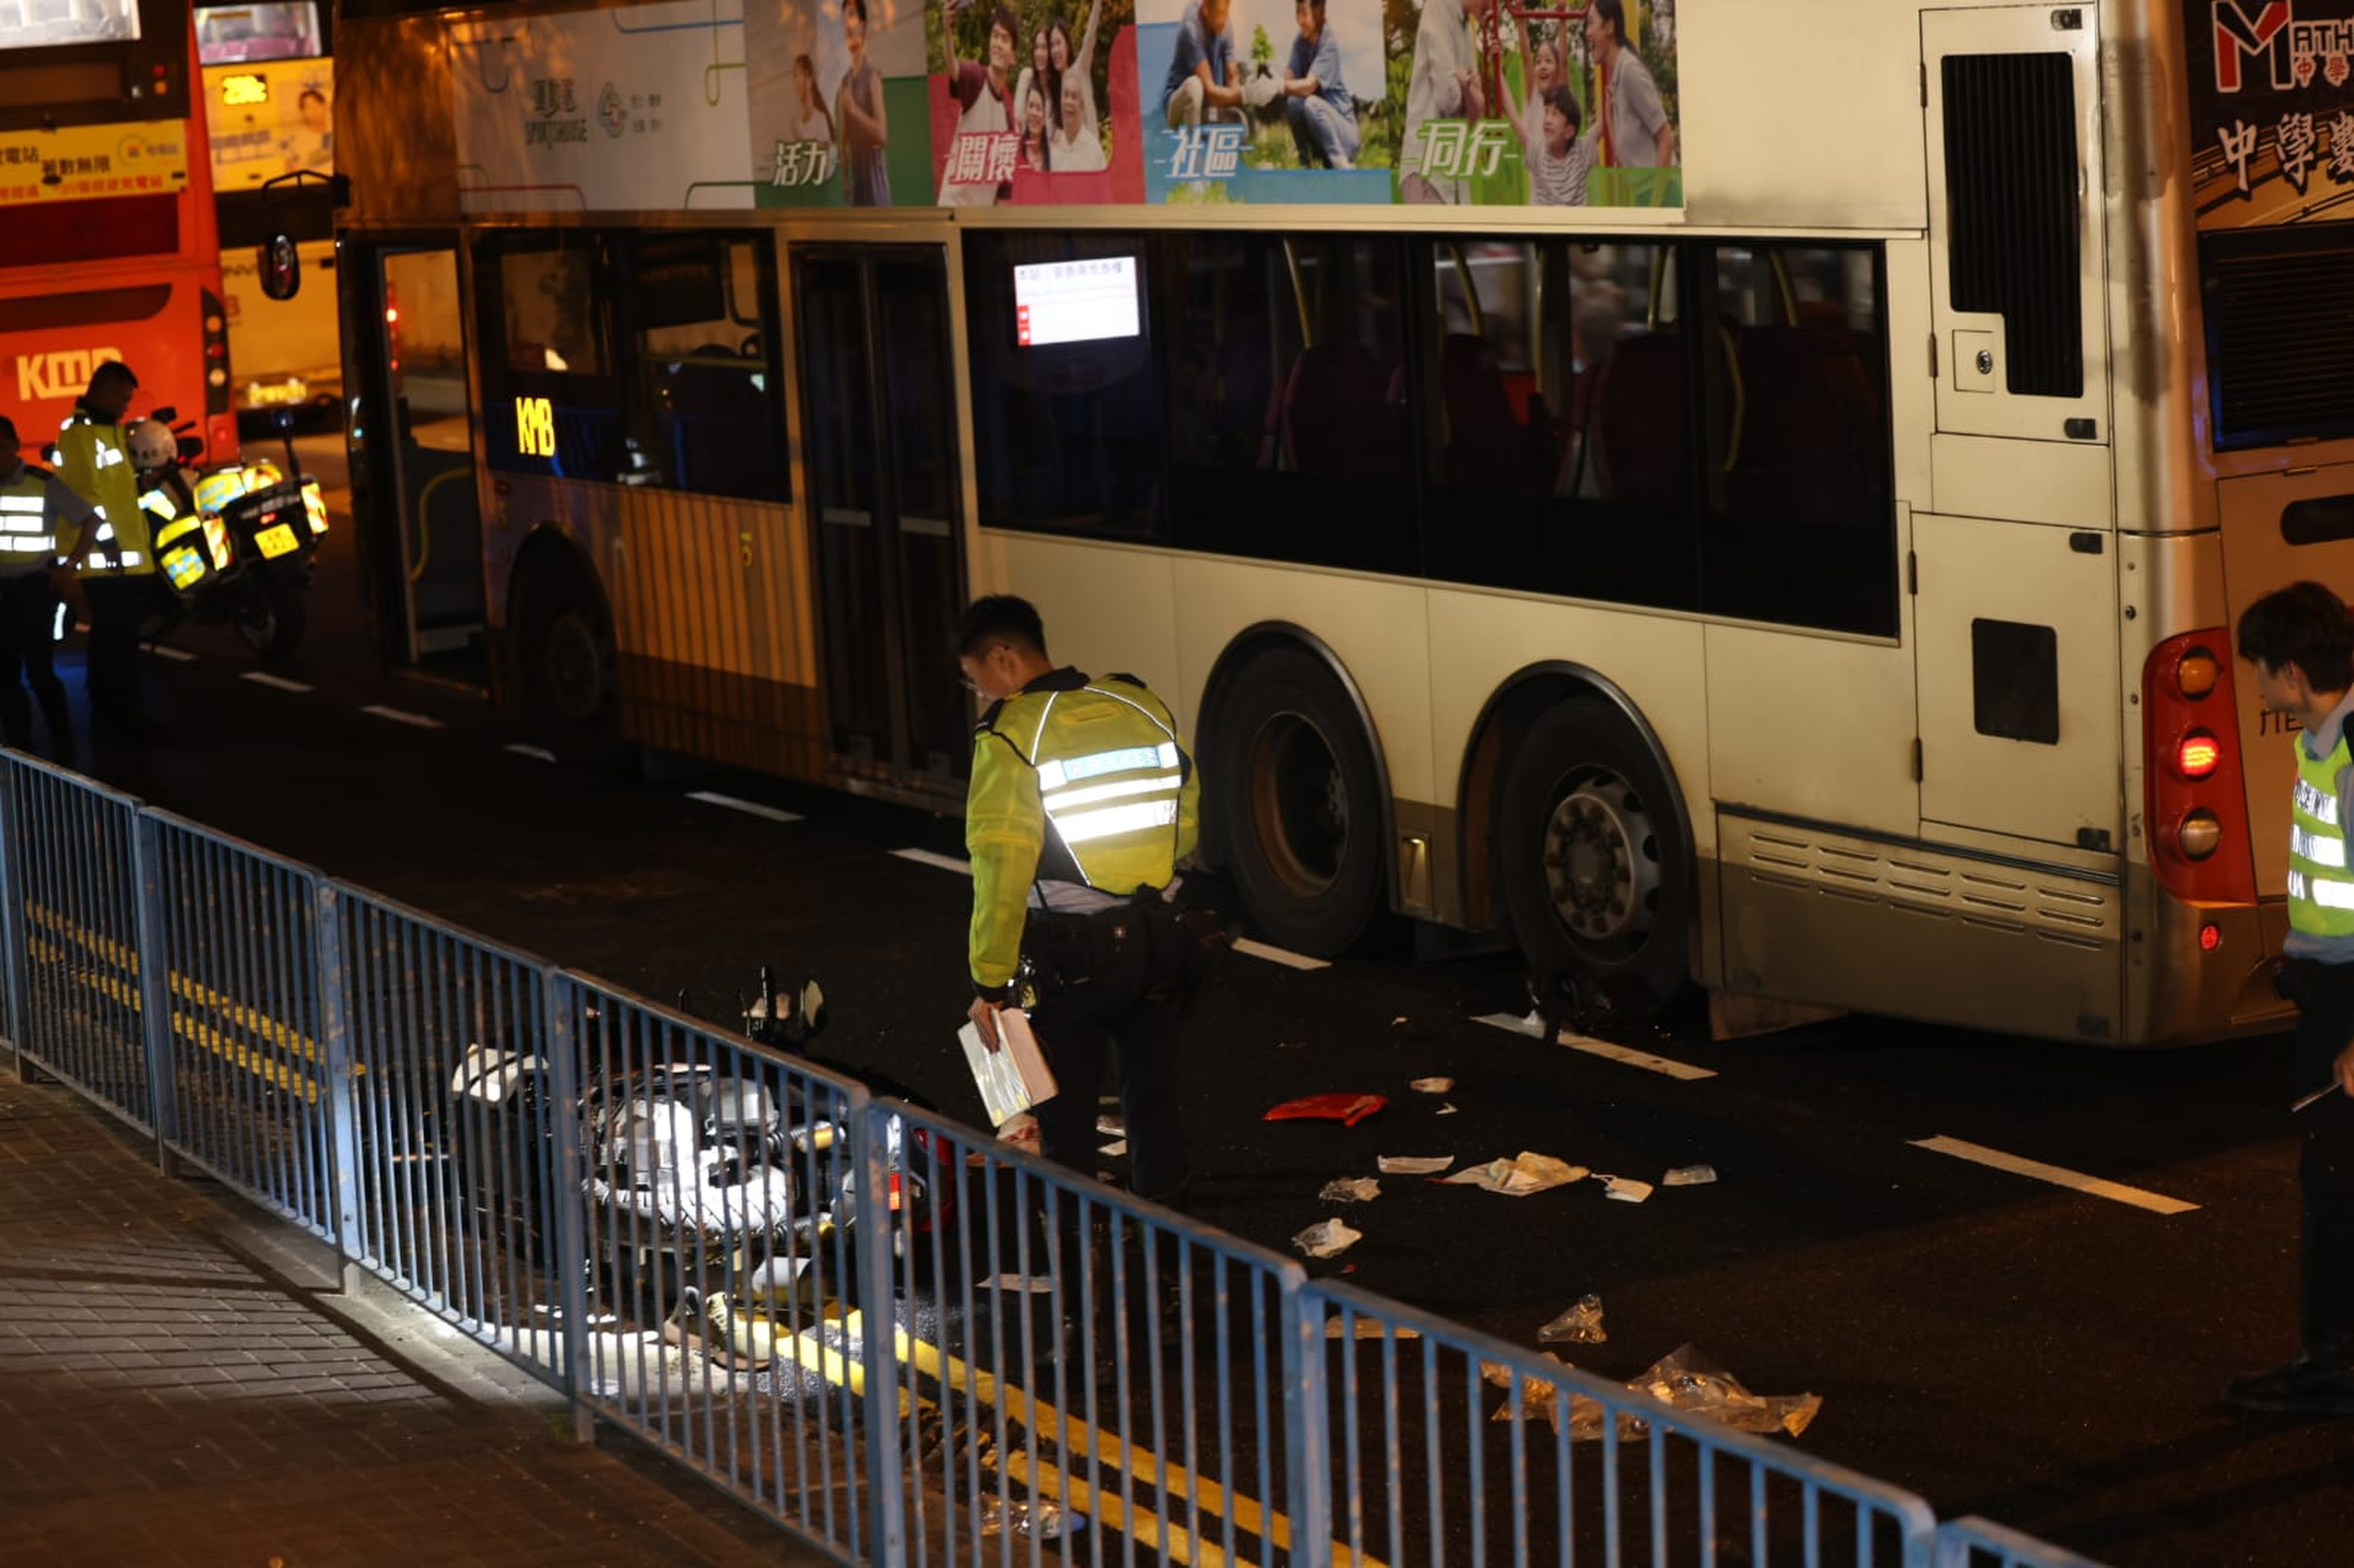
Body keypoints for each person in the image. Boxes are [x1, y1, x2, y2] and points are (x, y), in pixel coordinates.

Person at [958, 595, 1202, 1205]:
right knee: (1153, 1102)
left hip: (1072, 960)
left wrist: (990, 980)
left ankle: (1078, 1261)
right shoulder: (1138, 703)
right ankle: (1166, 1244)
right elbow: (1188, 820)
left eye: (977, 679)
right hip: (1158, 942)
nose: (982, 694)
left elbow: (1000, 868)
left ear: (1004, 658)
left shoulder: (1010, 736)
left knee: (1064, 1122)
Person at [2230, 581, 2354, 1416]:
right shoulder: (2327, 741)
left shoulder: (2350, 756)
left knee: (2336, 1185)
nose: (2257, 688)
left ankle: (2332, 1368)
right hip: (2330, 987)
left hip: (2349, 1001)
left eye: (2261, 673)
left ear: (2295, 674)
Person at [56, 361, 154, 738]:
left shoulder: (104, 429)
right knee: (115, 644)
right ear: (107, 389)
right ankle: (117, 718)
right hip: (104, 562)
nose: (126, 407)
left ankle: (119, 715)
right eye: (124, 398)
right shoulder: (83, 434)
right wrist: (110, 543)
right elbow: (87, 500)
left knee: (119, 642)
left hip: (119, 562)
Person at [0, 413, 103, 759]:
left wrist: (69, 567)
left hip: (33, 592)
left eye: (1, 447)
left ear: (15, 446)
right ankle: (20, 752)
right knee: (5, 678)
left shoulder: (42, 482)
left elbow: (91, 520)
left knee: (41, 673)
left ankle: (63, 746)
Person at [1400, 0, 1487, 202]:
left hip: (1453, 170)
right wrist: (1469, 91)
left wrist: (1464, 85)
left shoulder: (1467, 28)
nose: (1494, 7)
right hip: (1426, 168)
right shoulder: (1439, 6)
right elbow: (1448, 100)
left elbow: (1476, 115)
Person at [939, 2, 1020, 205]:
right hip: (952, 211)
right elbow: (953, 67)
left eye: (1005, 39)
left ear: (1014, 57)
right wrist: (947, 29)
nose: (998, 44)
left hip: (979, 227)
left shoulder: (1008, 123)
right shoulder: (976, 78)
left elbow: (1002, 194)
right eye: (995, 36)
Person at [1583, 0, 1675, 169]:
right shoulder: (1617, 79)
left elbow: (1667, 138)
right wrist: (1610, 117)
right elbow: (1625, 158)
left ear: (1610, 27)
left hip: (1660, 191)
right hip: (1642, 193)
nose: (1587, 33)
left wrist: (1656, 197)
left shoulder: (1629, 71)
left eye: (1591, 23)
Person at [1282, 0, 1357, 169]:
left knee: (1311, 103)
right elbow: (1288, 79)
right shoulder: (1301, 40)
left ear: (1318, 13)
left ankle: (1340, 164)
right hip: (1321, 132)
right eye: (1297, 13)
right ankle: (1305, 163)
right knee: (1294, 103)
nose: (1300, 20)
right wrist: (1269, 81)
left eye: (1304, 14)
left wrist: (1280, 87)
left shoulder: (1328, 41)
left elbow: (1309, 86)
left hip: (1344, 137)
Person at [835, 0, 891, 206]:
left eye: (851, 17)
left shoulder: (872, 76)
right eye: (843, 21)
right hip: (857, 193)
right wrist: (846, 180)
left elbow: (882, 135)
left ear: (864, 26)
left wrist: (854, 110)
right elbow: (845, 139)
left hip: (877, 193)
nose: (847, 27)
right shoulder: (845, 81)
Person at [1161, 0, 1245, 133]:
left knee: (1238, 118)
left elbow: (1232, 77)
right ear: (1205, 9)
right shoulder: (1191, 28)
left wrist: (1240, 94)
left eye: (1226, 12)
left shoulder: (1226, 25)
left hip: (1206, 107)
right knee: (1195, 86)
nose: (1223, 20)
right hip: (1179, 105)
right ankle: (1194, 149)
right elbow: (1210, 92)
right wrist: (1245, 95)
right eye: (1219, 14)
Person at [1514, 83, 1593, 205]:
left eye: (1554, 114)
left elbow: (1601, 125)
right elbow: (1515, 119)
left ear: (1569, 131)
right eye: (1546, 112)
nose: (1547, 120)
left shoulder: (1581, 152)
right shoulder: (1538, 153)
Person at [1049, 76, 1105, 171]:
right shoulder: (1054, 148)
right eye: (1066, 95)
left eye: (1074, 97)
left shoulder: (1093, 149)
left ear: (1082, 105)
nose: (1069, 102)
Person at [1018, 79, 1052, 172]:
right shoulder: (1016, 152)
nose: (1034, 113)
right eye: (1031, 106)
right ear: (1025, 111)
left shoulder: (1053, 156)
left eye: (1039, 108)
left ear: (1045, 117)